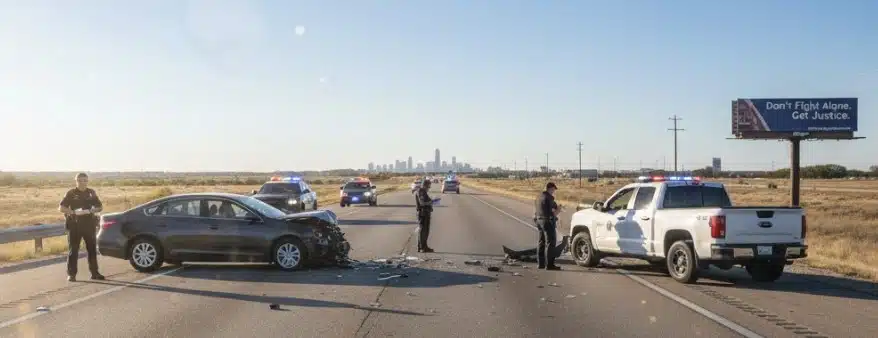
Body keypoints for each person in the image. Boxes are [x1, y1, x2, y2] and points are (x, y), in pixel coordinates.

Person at [58, 173, 105, 281]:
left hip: (89, 224)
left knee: (92, 249)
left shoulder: (91, 193)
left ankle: (95, 273)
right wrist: (72, 212)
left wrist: (93, 210)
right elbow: (61, 208)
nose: (82, 183)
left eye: (85, 180)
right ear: (76, 181)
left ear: (87, 181)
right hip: (75, 225)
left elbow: (100, 207)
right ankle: (71, 274)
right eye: (80, 181)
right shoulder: (71, 193)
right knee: (73, 250)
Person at [534, 182, 562, 270]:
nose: (554, 192)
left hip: (538, 220)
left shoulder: (538, 197)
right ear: (550, 188)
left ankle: (540, 264)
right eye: (553, 189)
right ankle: (549, 265)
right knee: (550, 243)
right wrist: (559, 209)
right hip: (547, 221)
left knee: (541, 242)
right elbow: (553, 213)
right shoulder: (549, 198)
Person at [415, 179, 435, 253]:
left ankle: (425, 246)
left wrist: (431, 203)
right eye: (428, 186)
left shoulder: (424, 192)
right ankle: (421, 247)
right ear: (425, 185)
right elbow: (422, 203)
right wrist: (430, 202)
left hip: (426, 213)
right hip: (422, 214)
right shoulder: (421, 191)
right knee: (422, 231)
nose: (429, 188)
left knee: (426, 231)